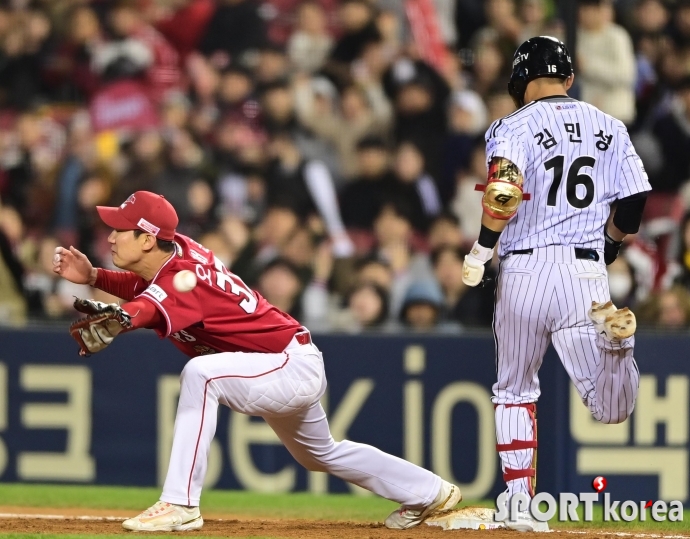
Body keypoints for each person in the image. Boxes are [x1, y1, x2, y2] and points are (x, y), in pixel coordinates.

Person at [52, 190, 461, 532]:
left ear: (146, 239)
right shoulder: (174, 256)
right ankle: (431, 492)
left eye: (119, 229)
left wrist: (124, 318)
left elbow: (148, 305)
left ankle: (180, 502)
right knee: (320, 454)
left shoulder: (183, 273)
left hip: (288, 364)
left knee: (201, 375)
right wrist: (95, 277)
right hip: (281, 362)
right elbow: (149, 288)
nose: (109, 236)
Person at [461, 37, 651, 531]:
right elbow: (632, 206)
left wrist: (482, 249)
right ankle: (619, 344)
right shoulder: (609, 125)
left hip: (524, 270)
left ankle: (520, 504)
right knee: (610, 411)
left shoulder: (511, 125)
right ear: (568, 78)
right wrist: (607, 246)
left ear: (521, 84)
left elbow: (503, 191)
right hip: (586, 275)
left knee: (515, 392)